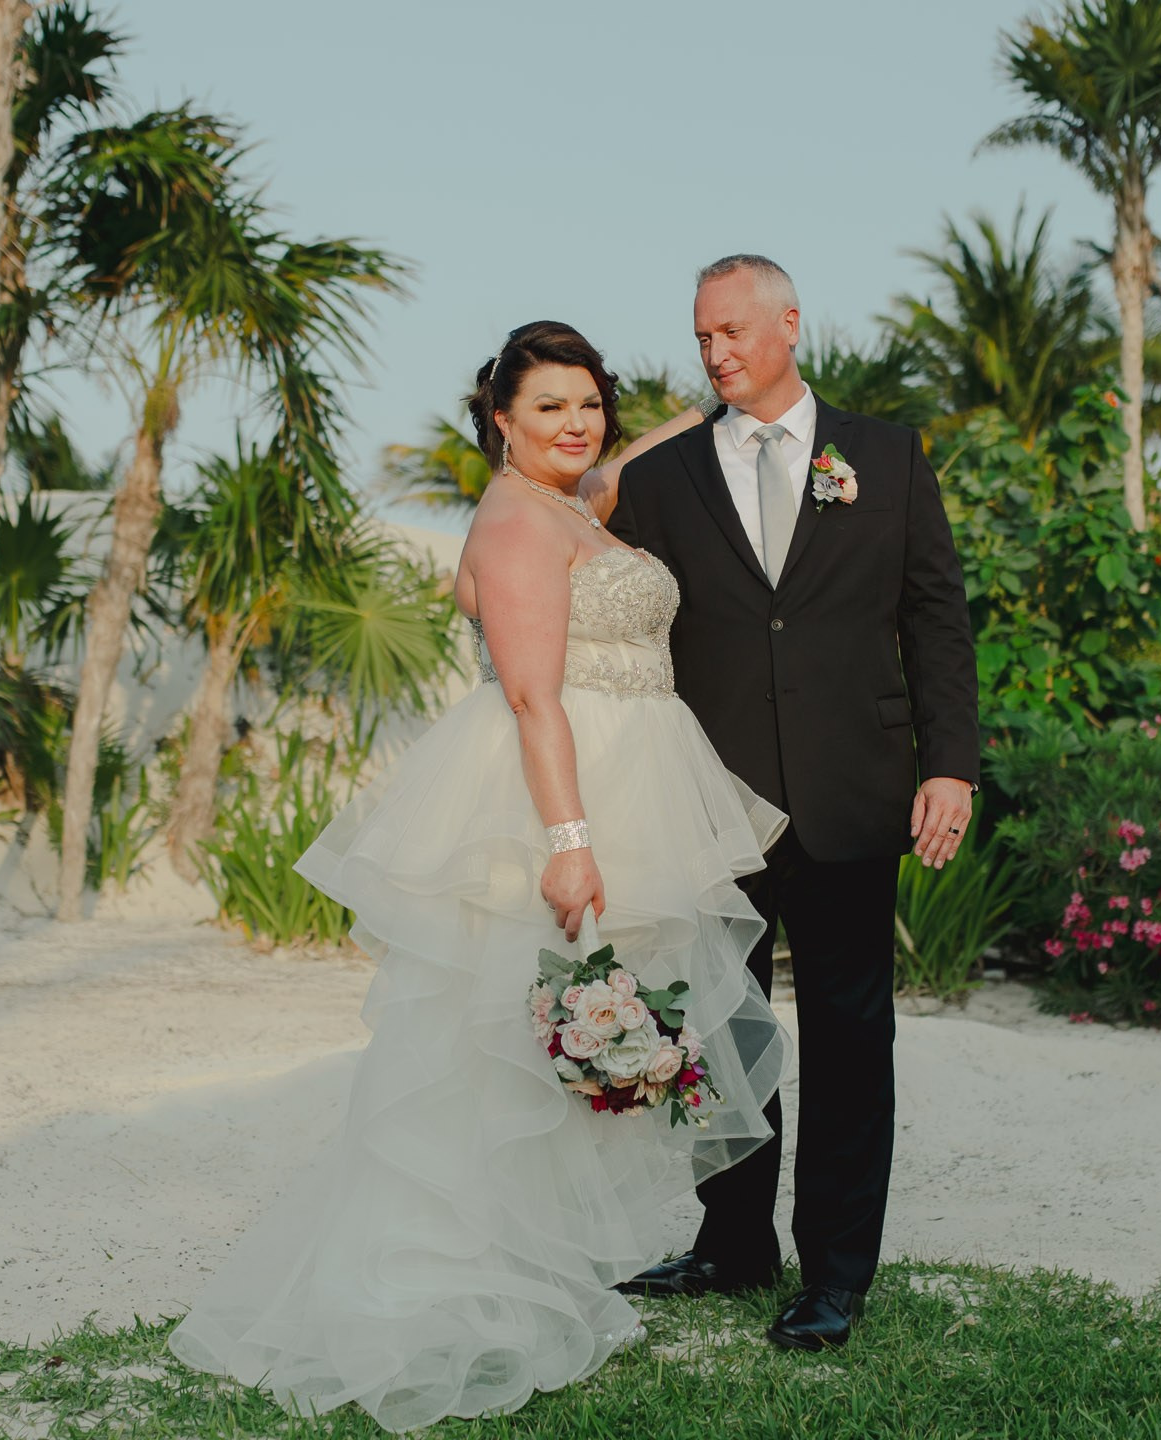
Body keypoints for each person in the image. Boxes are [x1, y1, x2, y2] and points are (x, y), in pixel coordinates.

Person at [166, 320, 789, 1432]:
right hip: (563, 792)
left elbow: (626, 463)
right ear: (499, 419)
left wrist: (727, 395)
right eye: (549, 406)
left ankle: (530, 1257)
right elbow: (531, 697)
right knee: (494, 1042)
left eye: (588, 402)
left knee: (561, 1037)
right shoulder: (513, 519)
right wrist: (569, 842)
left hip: (636, 772)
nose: (576, 423)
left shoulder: (569, 502)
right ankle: (434, 1279)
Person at [608, 254, 981, 1352]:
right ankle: (732, 1244)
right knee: (725, 1031)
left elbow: (935, 621)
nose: (716, 353)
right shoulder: (668, 477)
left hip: (851, 792)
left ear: (790, 325)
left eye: (732, 332)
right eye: (702, 339)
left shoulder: (886, 456)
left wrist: (948, 764)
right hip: (711, 796)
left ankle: (836, 1274)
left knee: (854, 1036)